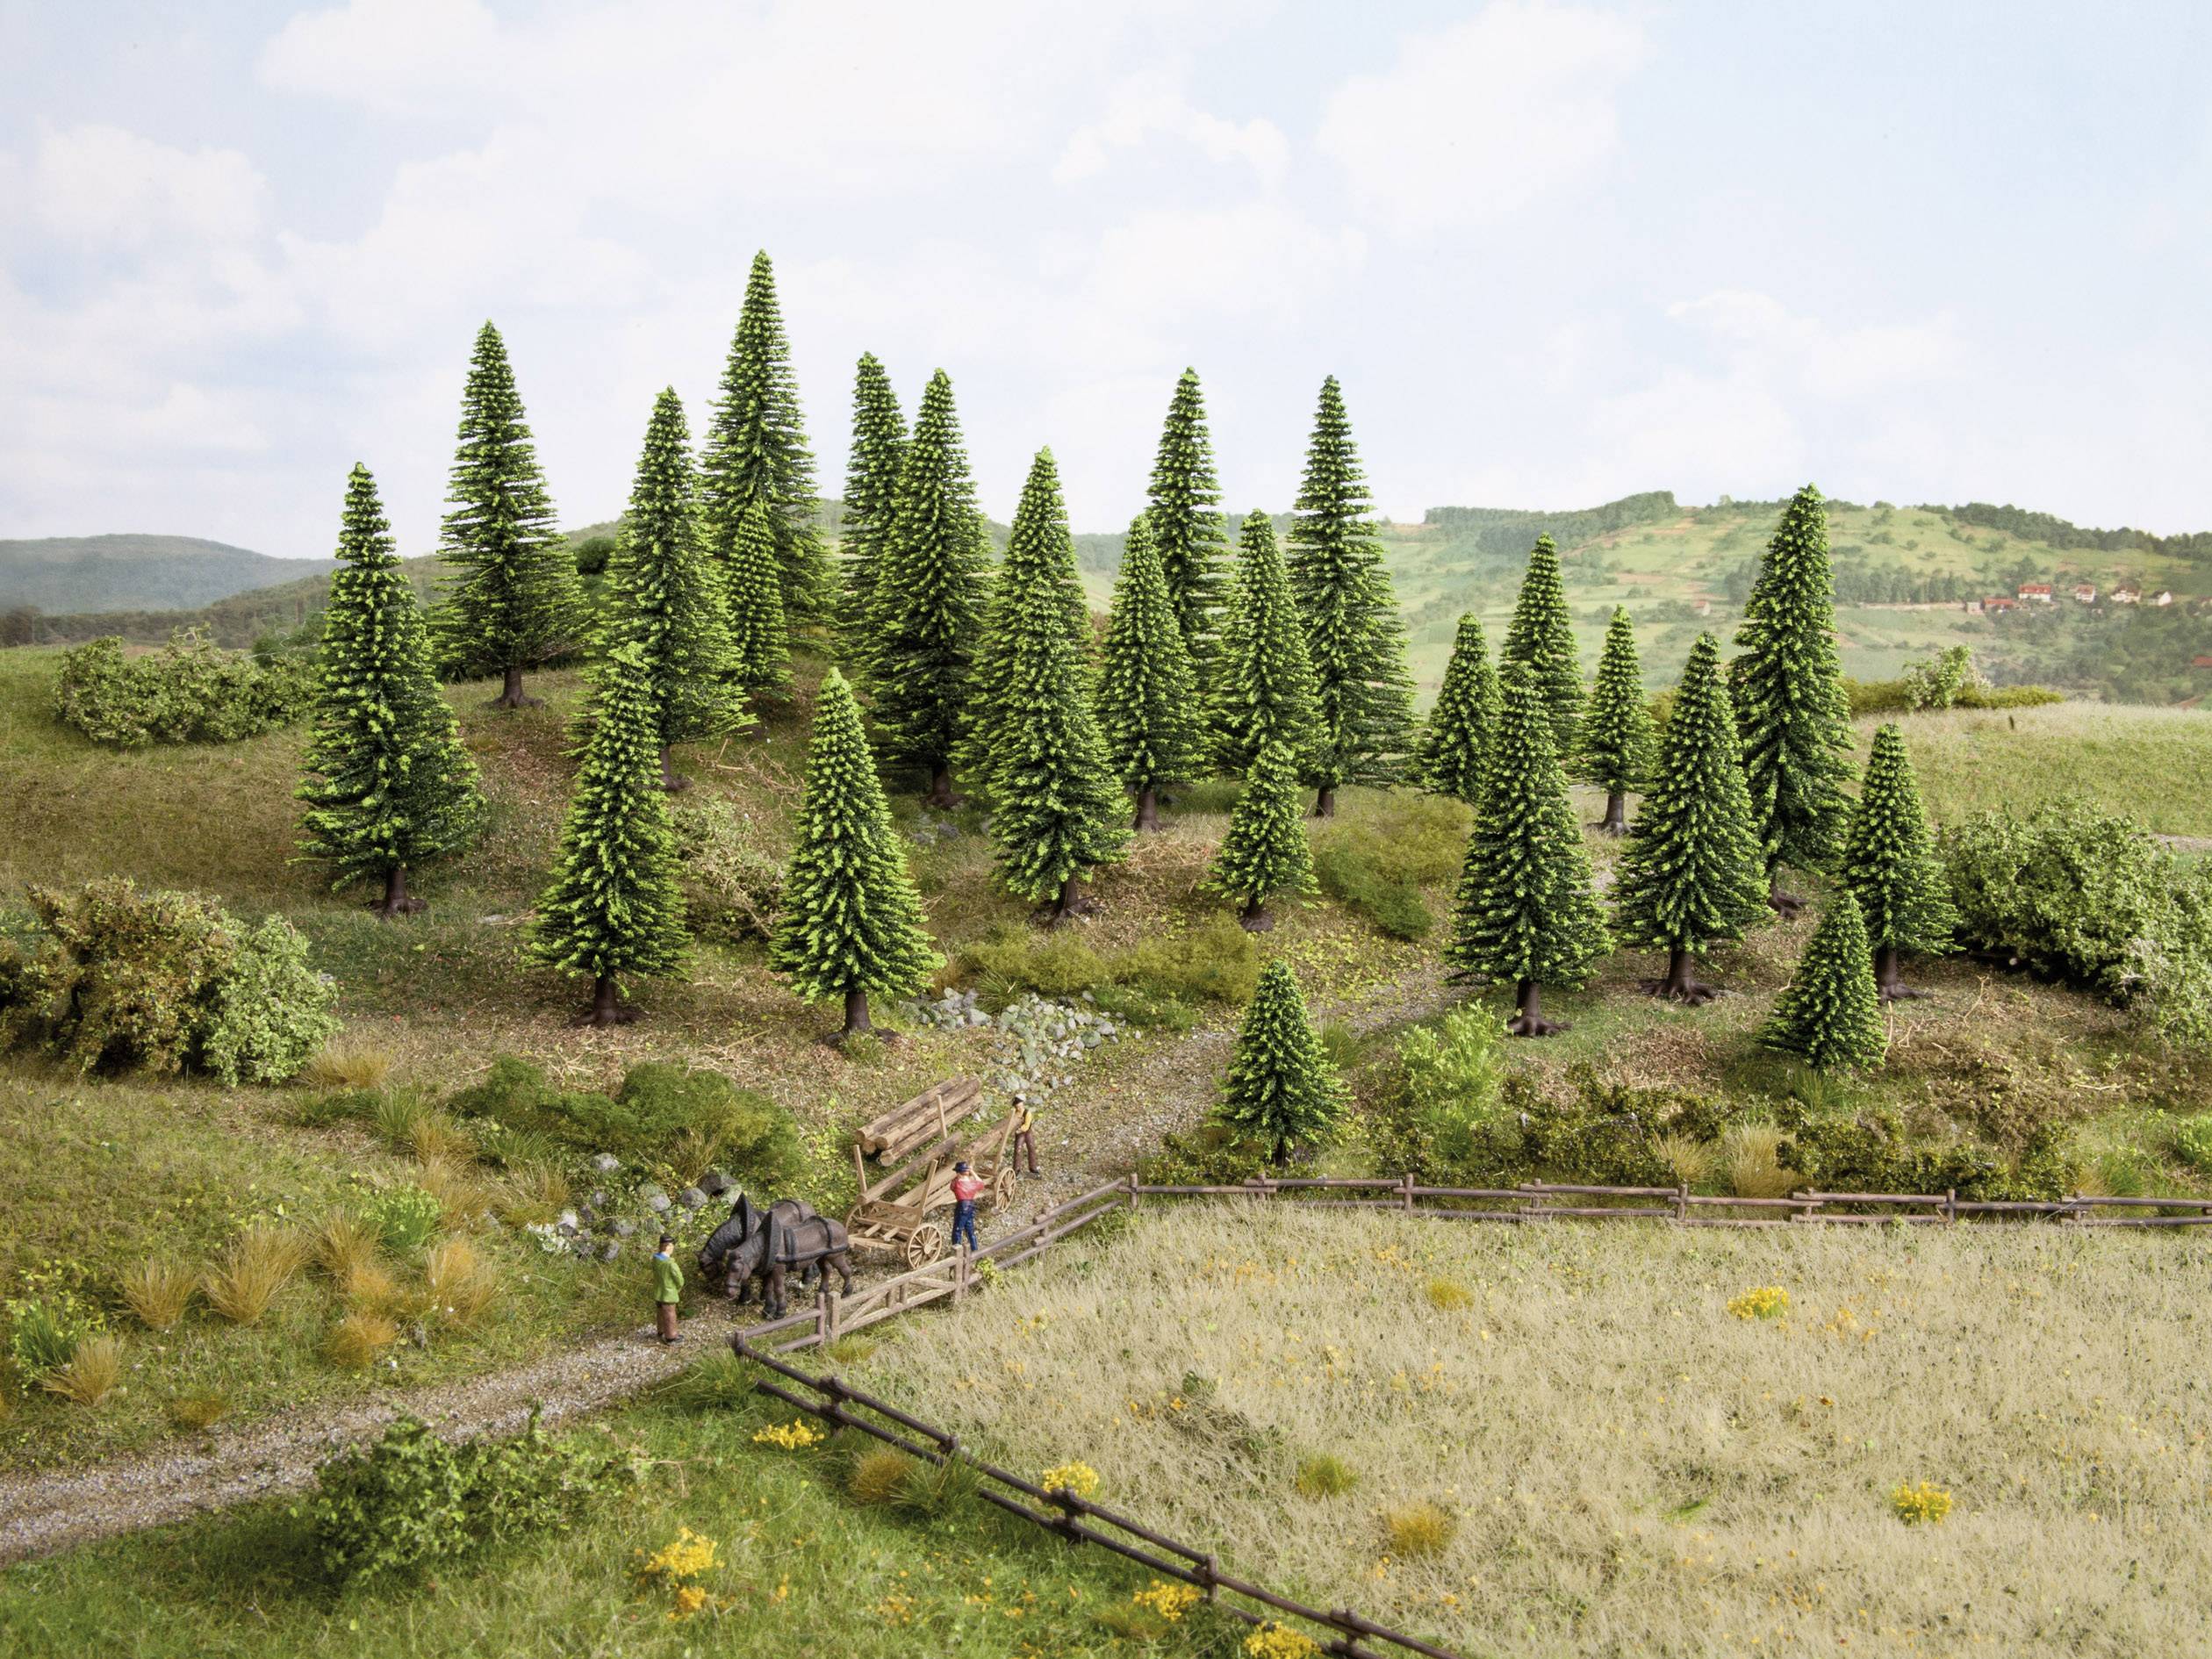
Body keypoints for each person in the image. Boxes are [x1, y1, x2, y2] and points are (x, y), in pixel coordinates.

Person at [652, 1233, 684, 1343]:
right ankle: (671, 1337)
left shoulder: (655, 1260)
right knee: (670, 1314)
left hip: (658, 1291)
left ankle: (660, 1331)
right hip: (668, 1293)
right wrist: (678, 1287)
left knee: (660, 1312)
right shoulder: (671, 1264)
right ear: (668, 1247)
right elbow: (679, 1280)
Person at [949, 1160, 983, 1253]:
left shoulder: (957, 1183)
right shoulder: (973, 1184)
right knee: (970, 1230)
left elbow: (951, 1187)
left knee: (957, 1229)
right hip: (971, 1207)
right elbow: (981, 1183)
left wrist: (961, 1175)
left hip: (962, 1206)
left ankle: (956, 1252)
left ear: (958, 1173)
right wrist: (972, 1171)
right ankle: (975, 1250)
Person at [1011, 1095, 1039, 1177]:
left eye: (1020, 1106)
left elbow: (1026, 1126)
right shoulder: (1015, 1113)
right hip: (1019, 1134)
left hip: (1027, 1132)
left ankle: (1033, 1168)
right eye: (1017, 1106)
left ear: (1022, 1104)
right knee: (1018, 1150)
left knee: (1031, 1148)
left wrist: (1019, 1130)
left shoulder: (1027, 1113)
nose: (1019, 1108)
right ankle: (1016, 1169)